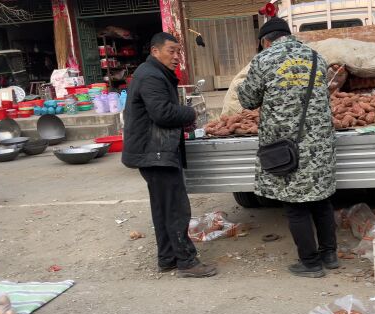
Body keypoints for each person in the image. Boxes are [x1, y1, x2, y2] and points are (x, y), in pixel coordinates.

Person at [237, 18, 338, 278]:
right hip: (320, 144)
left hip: (287, 146)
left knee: (296, 206)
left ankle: (310, 263)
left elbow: (248, 100)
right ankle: (329, 254)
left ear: (265, 41)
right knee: (322, 199)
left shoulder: (264, 59)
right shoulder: (316, 57)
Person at [122, 32, 217, 278]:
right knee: (175, 209)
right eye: (171, 51)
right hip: (155, 152)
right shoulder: (151, 76)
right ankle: (186, 262)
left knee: (163, 208)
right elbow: (162, 113)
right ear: (155, 51)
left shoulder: (152, 73)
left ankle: (167, 258)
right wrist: (189, 113)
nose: (176, 57)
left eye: (178, 52)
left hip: (154, 151)